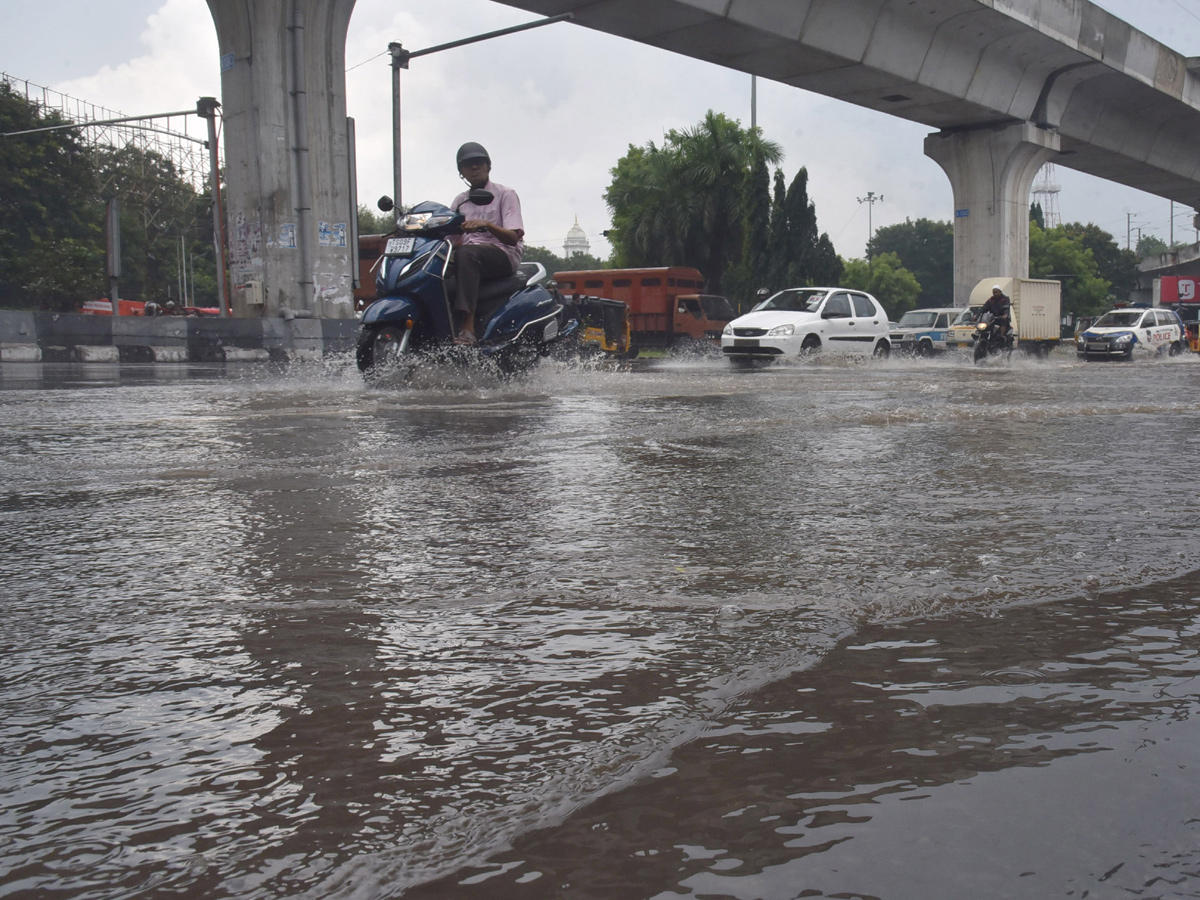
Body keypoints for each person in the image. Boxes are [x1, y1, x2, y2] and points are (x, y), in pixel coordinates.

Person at [448, 142, 525, 345]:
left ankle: (468, 327)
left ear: (488, 166)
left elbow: (512, 237)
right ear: (461, 172)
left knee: (467, 254)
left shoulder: (505, 194)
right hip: (469, 255)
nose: (474, 168)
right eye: (468, 165)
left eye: (479, 163)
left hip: (503, 254)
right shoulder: (460, 202)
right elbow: (449, 239)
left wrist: (487, 225)